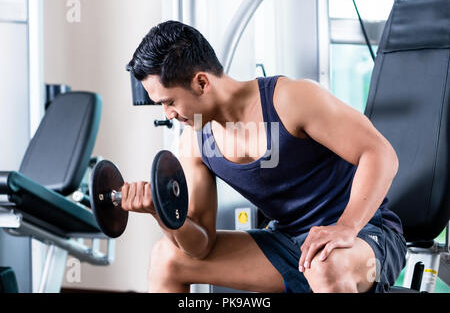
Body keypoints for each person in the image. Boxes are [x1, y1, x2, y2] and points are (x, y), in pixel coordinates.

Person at [124, 20, 407, 293]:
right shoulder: (195, 143)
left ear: (201, 82)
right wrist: (162, 213)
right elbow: (201, 246)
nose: (168, 114)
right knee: (167, 258)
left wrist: (345, 227)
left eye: (169, 102)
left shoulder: (291, 99)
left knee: (325, 264)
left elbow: (380, 153)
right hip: (288, 244)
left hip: (366, 237)